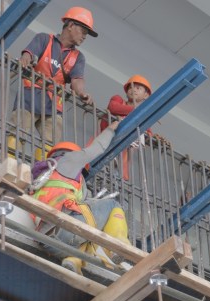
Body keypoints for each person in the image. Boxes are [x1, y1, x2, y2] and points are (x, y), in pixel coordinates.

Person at [30, 120, 130, 275]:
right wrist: (110, 130)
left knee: (88, 227)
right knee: (112, 205)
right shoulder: (68, 160)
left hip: (47, 240)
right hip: (64, 228)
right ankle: (119, 246)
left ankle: (73, 261)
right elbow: (96, 148)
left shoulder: (43, 179)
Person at [9, 6, 97, 160]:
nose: (84, 36)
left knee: (50, 143)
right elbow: (29, 54)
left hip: (54, 104)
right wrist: (25, 59)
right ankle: (8, 163)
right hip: (30, 95)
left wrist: (82, 93)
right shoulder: (44, 39)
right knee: (19, 131)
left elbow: (77, 80)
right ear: (70, 26)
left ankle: (40, 173)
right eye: (83, 31)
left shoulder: (78, 57)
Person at [99, 75, 154, 180]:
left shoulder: (142, 116)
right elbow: (113, 107)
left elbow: (149, 133)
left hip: (121, 153)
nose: (133, 89)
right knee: (100, 169)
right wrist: (137, 111)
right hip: (106, 142)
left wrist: (155, 137)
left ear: (146, 95)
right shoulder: (118, 99)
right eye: (130, 87)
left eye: (138, 88)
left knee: (114, 177)